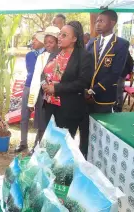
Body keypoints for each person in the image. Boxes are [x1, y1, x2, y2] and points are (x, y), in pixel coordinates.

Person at [42, 21, 93, 157]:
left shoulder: (84, 56)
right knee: (49, 144)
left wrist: (56, 88)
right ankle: (47, 172)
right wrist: (44, 84)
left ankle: (61, 176)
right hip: (50, 106)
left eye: (64, 35)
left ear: (74, 39)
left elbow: (83, 83)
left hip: (68, 109)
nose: (60, 37)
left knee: (63, 148)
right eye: (60, 34)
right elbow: (44, 73)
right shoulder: (55, 54)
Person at [86, 9, 129, 113]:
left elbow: (115, 73)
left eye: (101, 21)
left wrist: (93, 90)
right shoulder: (92, 42)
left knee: (100, 126)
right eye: (97, 21)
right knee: (85, 125)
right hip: (86, 94)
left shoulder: (121, 44)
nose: (97, 24)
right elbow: (85, 65)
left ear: (112, 23)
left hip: (104, 94)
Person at [27, 26, 60, 155]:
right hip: (43, 96)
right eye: (46, 43)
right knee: (42, 125)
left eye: (51, 42)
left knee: (55, 127)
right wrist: (31, 101)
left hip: (58, 97)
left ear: (58, 42)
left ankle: (52, 153)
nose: (48, 45)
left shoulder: (63, 57)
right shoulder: (42, 57)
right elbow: (36, 78)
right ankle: (38, 149)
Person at [14, 33, 45, 153]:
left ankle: (36, 145)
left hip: (42, 89)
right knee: (24, 116)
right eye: (32, 39)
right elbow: (32, 71)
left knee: (40, 117)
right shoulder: (30, 55)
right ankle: (23, 143)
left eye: (35, 40)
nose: (33, 42)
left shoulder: (48, 54)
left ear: (43, 41)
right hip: (29, 87)